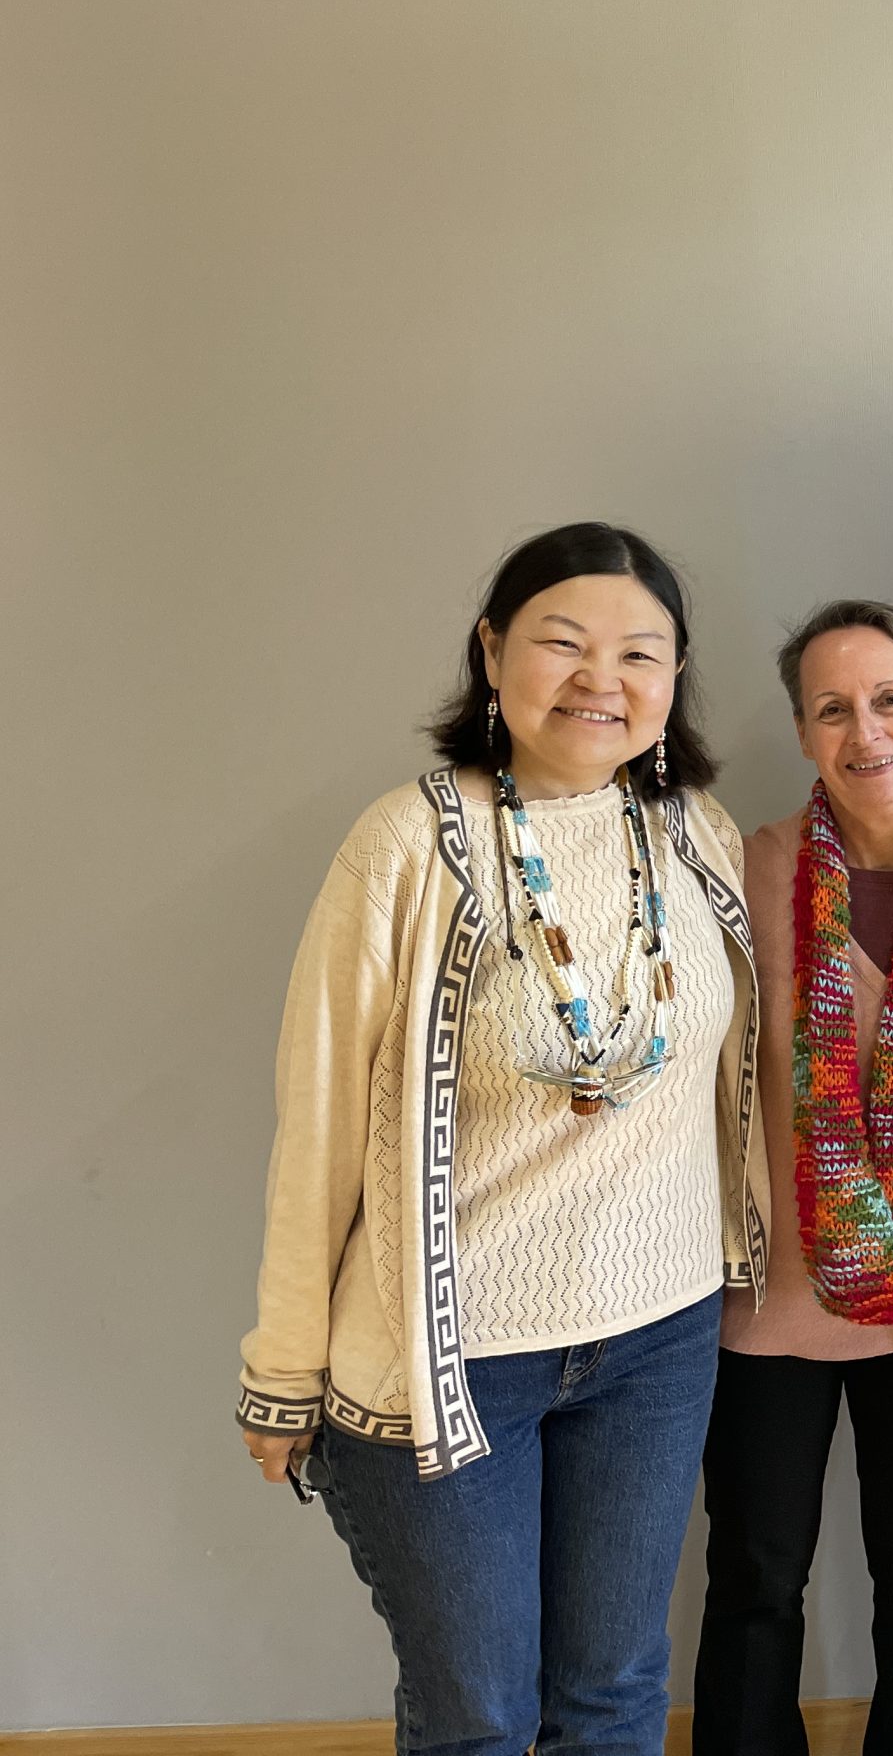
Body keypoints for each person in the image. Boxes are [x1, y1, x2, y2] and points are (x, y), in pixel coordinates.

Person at [236, 522, 764, 1756]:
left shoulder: (698, 834)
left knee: (619, 1694)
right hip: (450, 1352)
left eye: (643, 653)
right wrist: (283, 1364)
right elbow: (316, 1118)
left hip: (657, 1336)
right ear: (491, 651)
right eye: (562, 643)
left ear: (675, 678)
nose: (603, 679)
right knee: (479, 1717)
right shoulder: (408, 845)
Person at [692, 600, 893, 1756]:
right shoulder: (742, 869)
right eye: (833, 708)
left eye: (890, 700)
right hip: (770, 1304)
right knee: (755, 1582)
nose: (868, 733)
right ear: (803, 732)